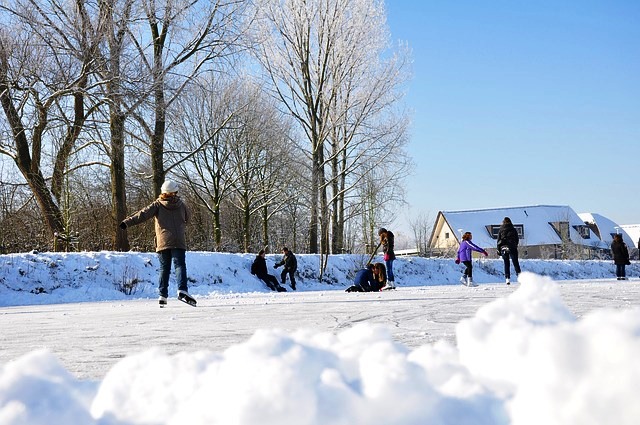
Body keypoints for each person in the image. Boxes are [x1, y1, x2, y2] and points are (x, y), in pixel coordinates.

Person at [120, 180, 195, 307]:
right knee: (179, 265)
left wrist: (127, 222)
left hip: (163, 241)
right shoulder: (182, 205)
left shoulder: (158, 205)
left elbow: (142, 214)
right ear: (175, 192)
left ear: (163, 192)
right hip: (178, 240)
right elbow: (188, 218)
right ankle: (182, 289)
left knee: (164, 268)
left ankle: (162, 296)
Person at [497, 216, 521, 285]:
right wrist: (515, 245)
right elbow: (517, 239)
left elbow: (498, 240)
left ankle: (507, 279)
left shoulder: (501, 230)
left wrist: (498, 250)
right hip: (512, 247)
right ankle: (519, 277)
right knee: (515, 262)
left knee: (506, 263)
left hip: (503, 247)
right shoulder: (513, 229)